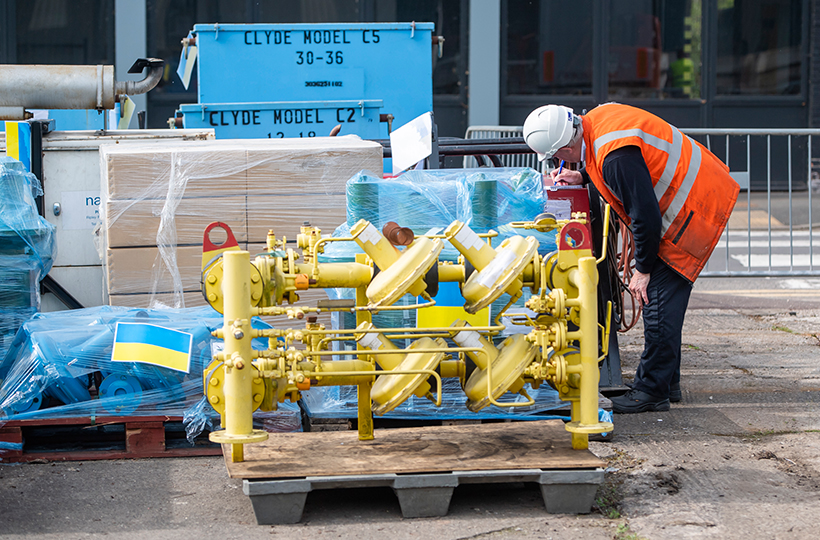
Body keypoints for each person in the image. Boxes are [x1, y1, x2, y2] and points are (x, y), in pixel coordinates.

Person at [523, 103, 739, 413]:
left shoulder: (615, 156)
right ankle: (668, 382)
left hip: (691, 209)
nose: (558, 162)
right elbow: (612, 165)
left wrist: (643, 269)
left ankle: (651, 391)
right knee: (664, 304)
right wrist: (582, 176)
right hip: (696, 192)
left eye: (558, 156)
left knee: (657, 303)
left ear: (568, 144)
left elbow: (645, 214)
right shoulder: (596, 122)